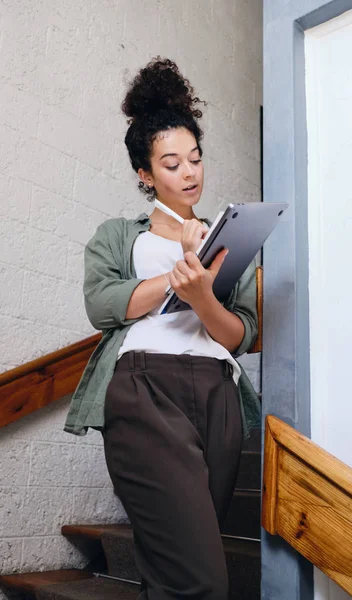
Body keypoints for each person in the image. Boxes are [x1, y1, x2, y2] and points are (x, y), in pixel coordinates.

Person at [64, 57, 261, 600]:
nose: (190, 172)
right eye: (171, 164)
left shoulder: (228, 235)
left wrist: (202, 293)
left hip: (219, 395)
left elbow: (240, 334)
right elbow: (102, 304)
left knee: (173, 565)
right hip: (146, 388)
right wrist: (175, 278)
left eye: (195, 158)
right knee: (200, 580)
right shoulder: (119, 236)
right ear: (146, 175)